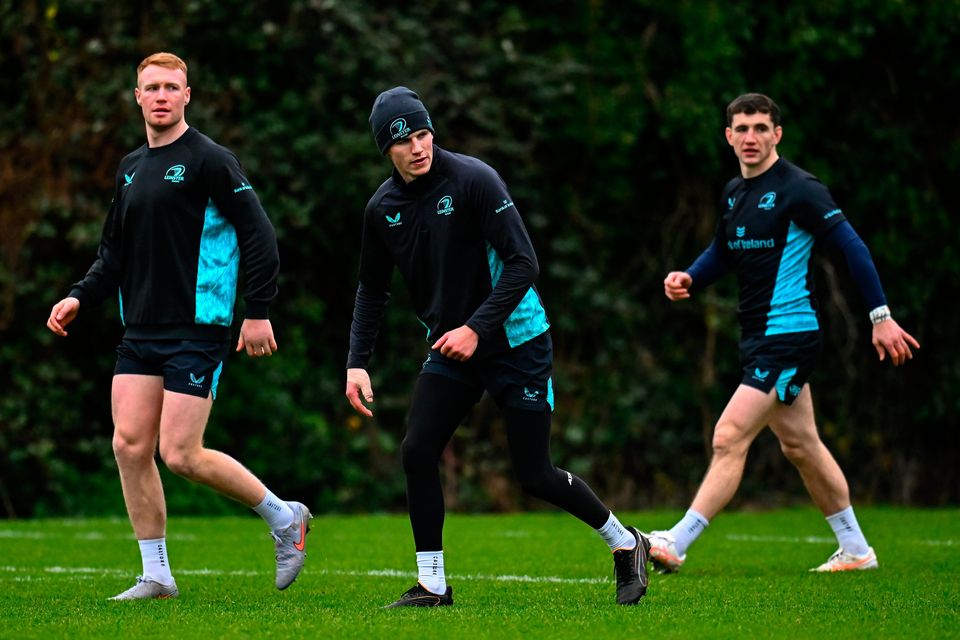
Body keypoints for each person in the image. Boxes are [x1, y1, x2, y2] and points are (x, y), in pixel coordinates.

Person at [345, 86, 650, 607]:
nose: (418, 147)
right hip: (451, 347)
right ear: (385, 150)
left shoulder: (473, 180)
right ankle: (432, 585)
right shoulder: (383, 208)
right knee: (418, 450)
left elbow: (524, 262)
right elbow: (373, 289)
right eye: (404, 141)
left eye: (423, 134)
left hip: (515, 339)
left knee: (534, 474)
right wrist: (356, 362)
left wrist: (476, 329)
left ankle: (627, 544)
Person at [46, 52, 312, 600]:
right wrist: (79, 296)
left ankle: (284, 516)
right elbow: (112, 254)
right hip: (139, 330)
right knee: (128, 445)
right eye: (152, 87)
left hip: (198, 326)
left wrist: (257, 310)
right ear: (137, 97)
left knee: (181, 453)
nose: (162, 95)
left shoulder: (212, 160)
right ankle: (157, 574)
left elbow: (259, 236)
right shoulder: (130, 167)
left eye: (172, 86)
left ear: (187, 95)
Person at [652, 93, 920, 574]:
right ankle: (856, 550)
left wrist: (881, 317)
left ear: (777, 134)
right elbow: (723, 249)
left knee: (728, 435)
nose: (751, 137)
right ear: (728, 136)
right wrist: (690, 276)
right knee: (801, 445)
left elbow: (852, 246)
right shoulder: (735, 191)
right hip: (757, 336)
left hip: (790, 334)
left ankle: (677, 541)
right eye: (742, 128)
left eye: (760, 127)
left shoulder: (800, 189)